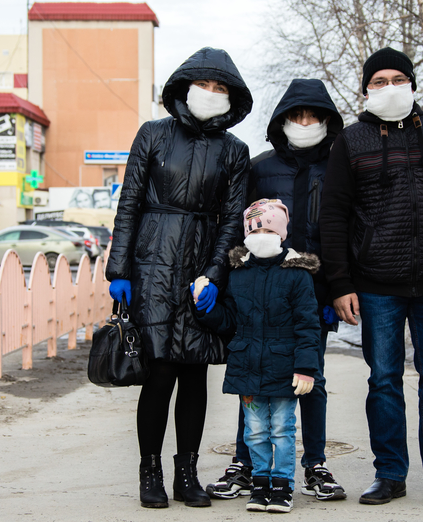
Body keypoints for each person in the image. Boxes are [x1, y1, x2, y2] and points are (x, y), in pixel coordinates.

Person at [319, 47, 423, 508]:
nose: (389, 87)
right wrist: (340, 283)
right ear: (366, 90)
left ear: (412, 84)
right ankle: (390, 474)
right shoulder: (351, 141)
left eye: (397, 78)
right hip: (375, 284)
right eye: (379, 81)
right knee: (384, 381)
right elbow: (332, 216)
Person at [105, 47, 252, 509]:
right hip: (152, 264)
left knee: (194, 373)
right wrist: (119, 269)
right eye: (204, 85)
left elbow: (232, 219)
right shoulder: (152, 134)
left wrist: (214, 273)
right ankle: (150, 472)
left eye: (220, 88)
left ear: (232, 98)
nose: (210, 94)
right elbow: (128, 203)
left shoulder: (235, 151)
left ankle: (187, 473)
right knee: (161, 370)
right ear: (184, 88)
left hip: (202, 266)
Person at [206, 79, 346, 502]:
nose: (304, 123)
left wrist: (336, 288)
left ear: (326, 121)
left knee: (311, 378)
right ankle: (244, 463)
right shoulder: (261, 167)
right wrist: (232, 280)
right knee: (255, 375)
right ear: (282, 120)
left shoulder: (339, 166)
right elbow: (241, 224)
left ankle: (315, 463)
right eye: (296, 116)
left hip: (312, 291)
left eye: (313, 116)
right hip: (260, 289)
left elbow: (344, 229)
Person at [194, 199, 321, 513]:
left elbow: (308, 325)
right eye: (255, 228)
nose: (261, 234)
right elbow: (232, 320)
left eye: (267, 228)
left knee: (282, 428)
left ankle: (282, 485)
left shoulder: (297, 274)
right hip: (247, 366)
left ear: (281, 233)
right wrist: (207, 309)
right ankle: (260, 482)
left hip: (283, 366)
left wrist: (306, 367)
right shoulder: (239, 273)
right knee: (255, 430)